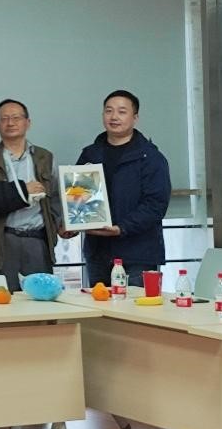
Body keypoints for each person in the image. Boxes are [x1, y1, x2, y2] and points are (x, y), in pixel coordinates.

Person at [74, 89, 172, 287]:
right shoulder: (90, 154)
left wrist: (122, 228)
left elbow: (155, 205)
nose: (114, 117)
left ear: (135, 118)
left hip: (138, 254)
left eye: (122, 111)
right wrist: (71, 222)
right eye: (108, 111)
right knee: (98, 304)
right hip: (98, 252)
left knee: (135, 306)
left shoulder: (150, 157)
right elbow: (78, 197)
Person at [0, 99, 63, 292]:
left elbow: (55, 198)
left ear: (28, 122)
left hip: (37, 240)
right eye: (4, 119)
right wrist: (22, 191)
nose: (10, 123)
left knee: (41, 299)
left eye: (16, 118)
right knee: (2, 300)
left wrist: (62, 224)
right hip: (1, 241)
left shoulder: (45, 157)